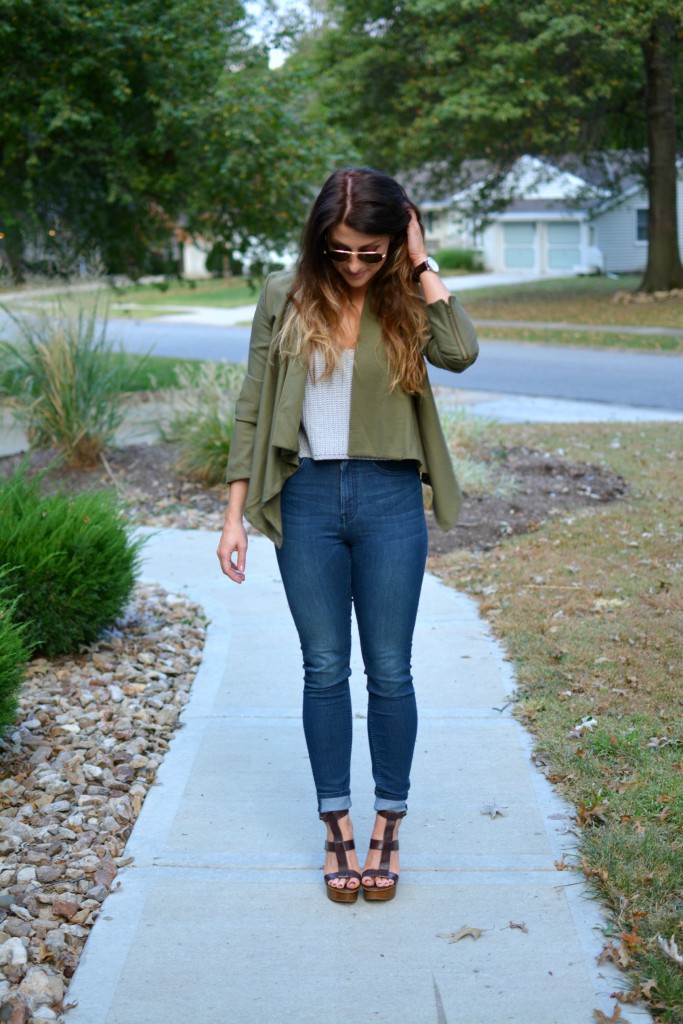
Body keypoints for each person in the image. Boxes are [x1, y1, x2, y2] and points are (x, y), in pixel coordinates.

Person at [217, 166, 478, 904]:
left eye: (373, 251)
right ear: (318, 242)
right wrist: (234, 514)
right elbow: (250, 406)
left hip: (389, 497)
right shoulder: (285, 294)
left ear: (395, 240)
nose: (358, 266)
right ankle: (336, 823)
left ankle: (387, 823)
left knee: (389, 670)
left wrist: (420, 262)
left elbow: (459, 351)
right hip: (304, 500)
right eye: (342, 253)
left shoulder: (403, 295)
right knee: (324, 668)